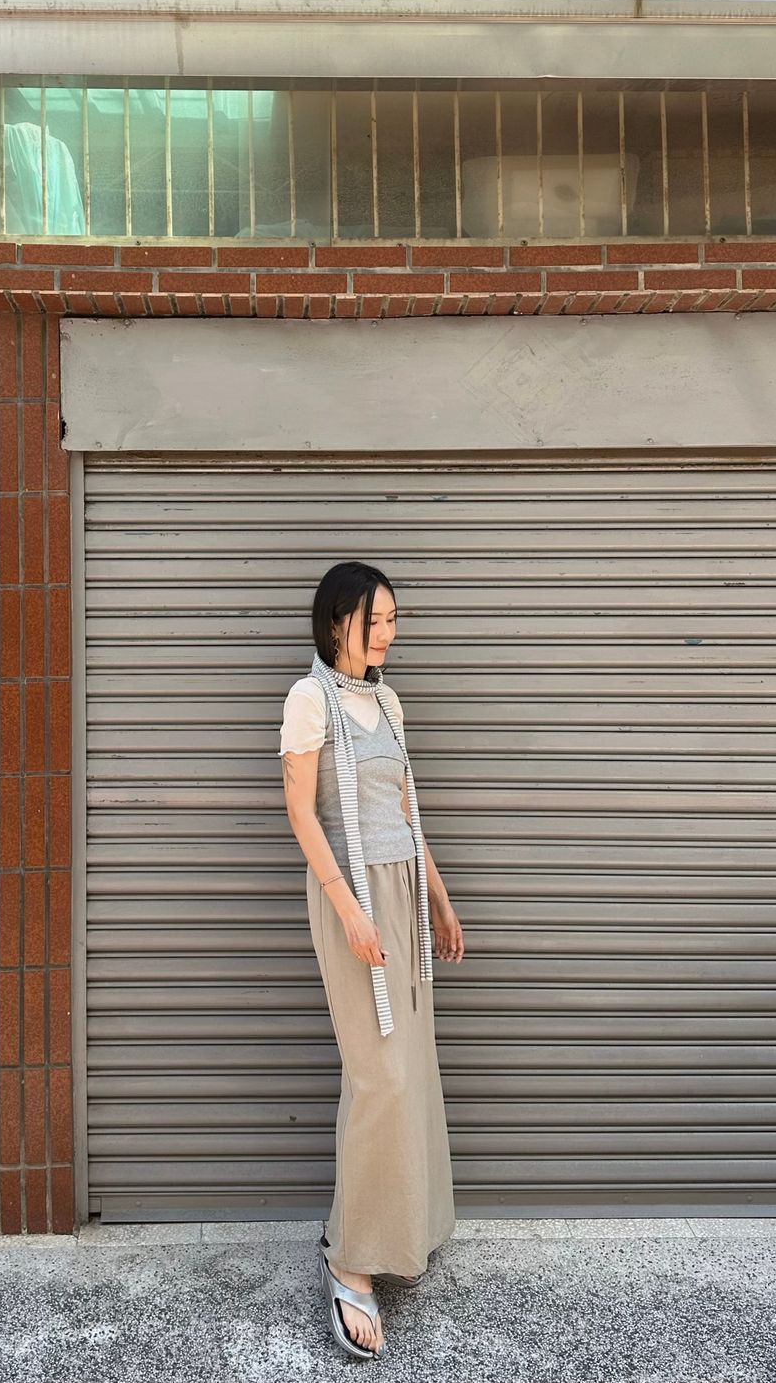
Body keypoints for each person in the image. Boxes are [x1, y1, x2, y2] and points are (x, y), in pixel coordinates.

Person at [278, 560, 465, 1360]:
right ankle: (349, 1257)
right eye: (375, 619)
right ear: (336, 624)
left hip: (403, 899)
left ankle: (400, 1229)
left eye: (393, 618)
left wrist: (440, 898)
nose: (388, 632)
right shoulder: (309, 699)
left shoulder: (388, 701)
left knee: (409, 1069)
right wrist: (350, 908)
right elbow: (301, 812)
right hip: (350, 899)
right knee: (378, 1074)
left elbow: (407, 814)